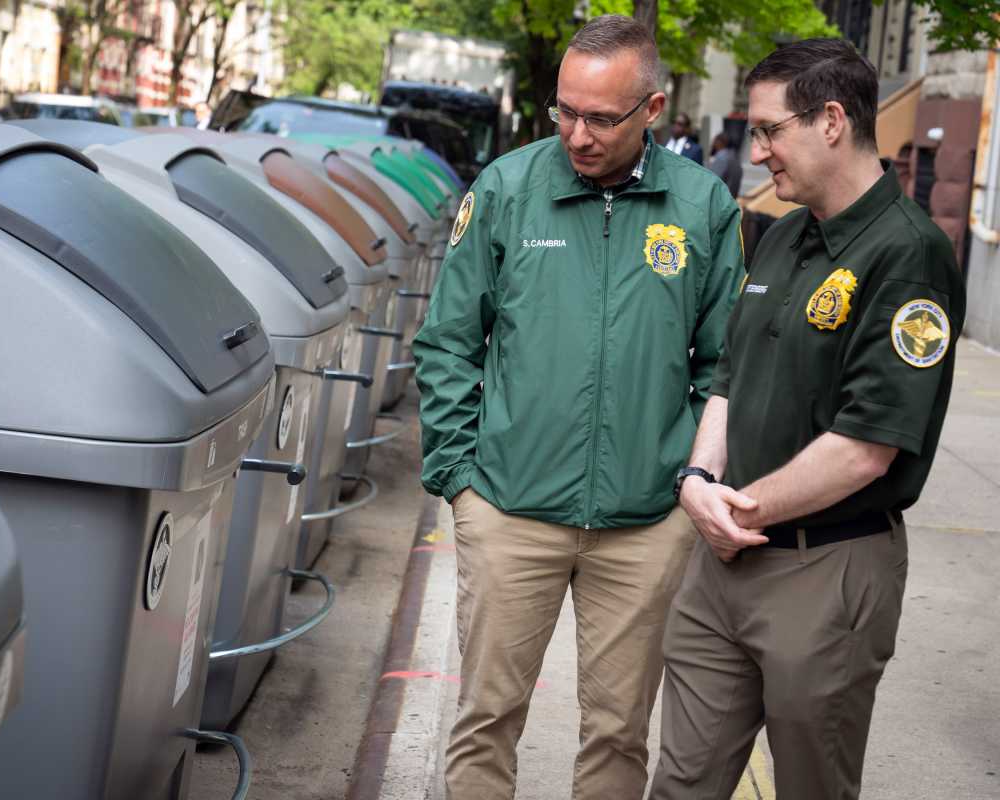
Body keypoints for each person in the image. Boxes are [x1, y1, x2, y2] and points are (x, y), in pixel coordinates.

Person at [412, 14, 744, 800]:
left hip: (642, 524)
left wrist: (686, 483)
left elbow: (725, 362)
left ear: (653, 111)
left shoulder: (702, 206)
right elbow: (447, 342)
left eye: (602, 117)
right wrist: (461, 480)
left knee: (618, 733)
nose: (578, 135)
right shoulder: (507, 189)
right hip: (509, 509)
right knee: (487, 717)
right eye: (566, 111)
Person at [650, 38, 966, 800]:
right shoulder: (785, 233)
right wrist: (698, 480)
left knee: (810, 788)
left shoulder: (909, 254)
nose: (757, 152)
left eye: (768, 130)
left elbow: (869, 447)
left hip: (825, 570)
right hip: (725, 560)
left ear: (830, 120)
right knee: (679, 787)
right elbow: (731, 375)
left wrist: (736, 509)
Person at [708, 131, 743, 197]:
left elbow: (713, 183)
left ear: (720, 142)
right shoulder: (735, 157)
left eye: (714, 141)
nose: (712, 144)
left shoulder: (721, 158)